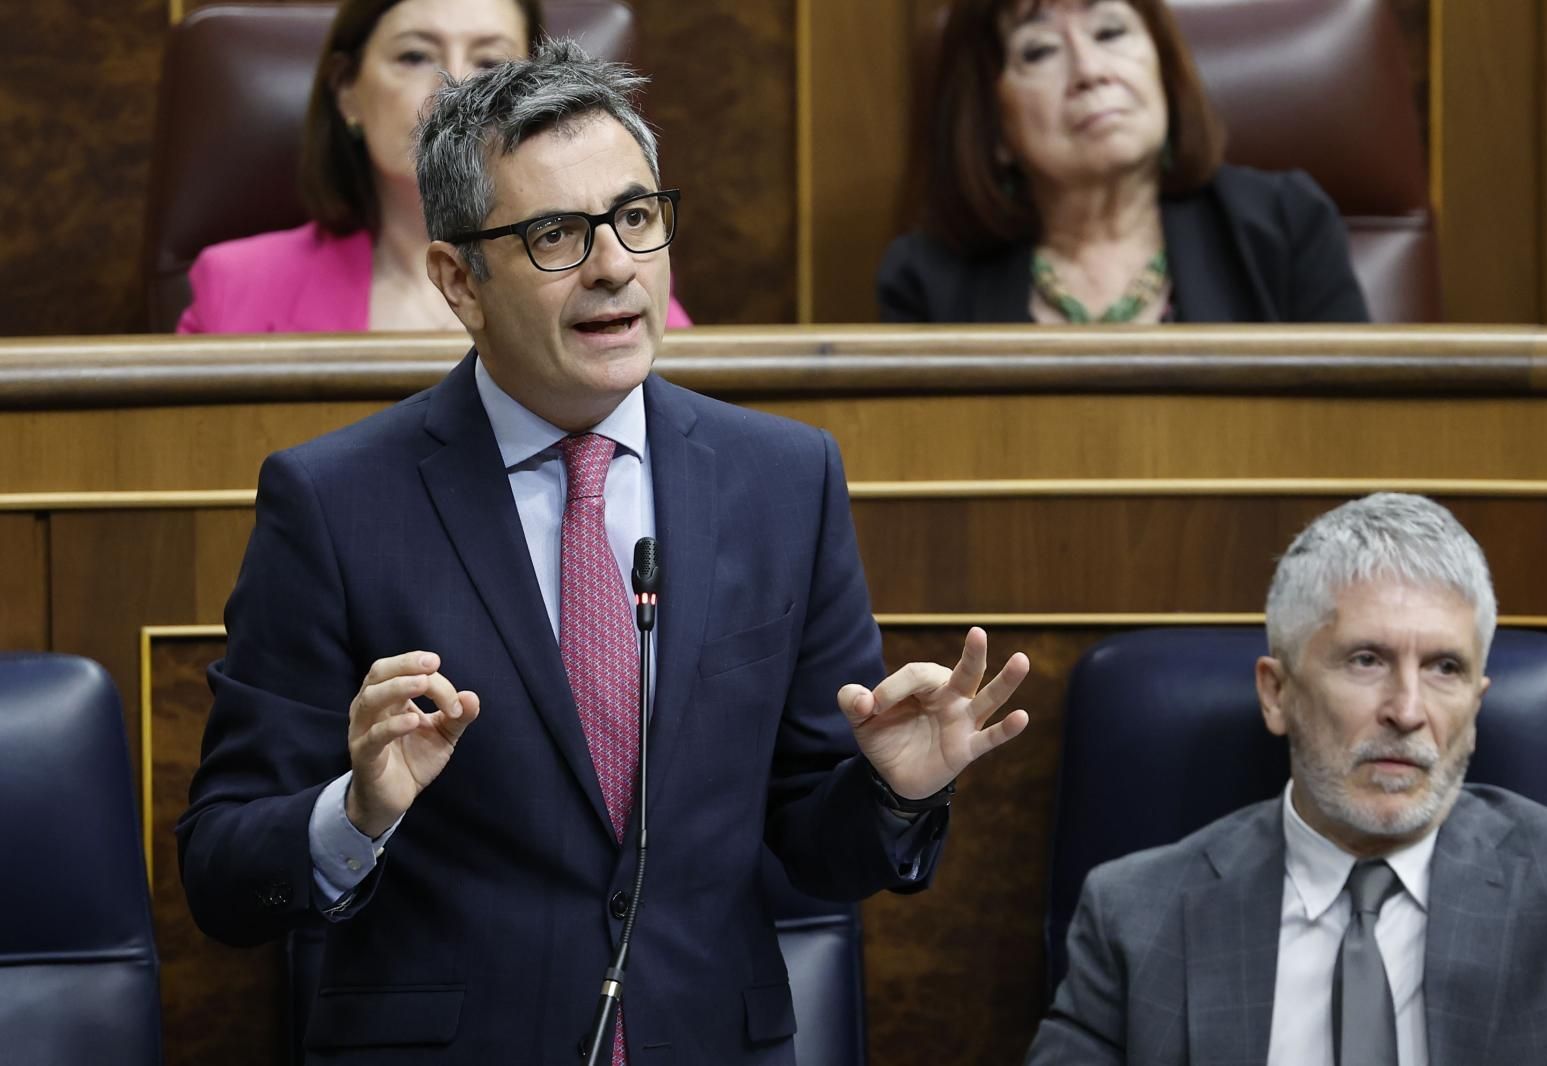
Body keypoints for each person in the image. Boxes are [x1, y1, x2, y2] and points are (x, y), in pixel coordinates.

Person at [177, 41, 1029, 1065]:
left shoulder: (782, 480)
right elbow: (222, 873)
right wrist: (355, 811)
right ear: (460, 278)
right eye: (554, 235)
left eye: (634, 217)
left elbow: (814, 842)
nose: (615, 266)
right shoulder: (333, 502)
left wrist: (893, 788)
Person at [1025, 492, 1547, 1065]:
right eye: (1366, 660)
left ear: (1476, 710)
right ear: (1277, 694)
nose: (1407, 710)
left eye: (1445, 668)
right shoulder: (1134, 915)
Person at [174, 0, 692, 334]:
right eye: (416, 56)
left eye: (491, 63)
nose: (455, 85)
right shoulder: (233, 290)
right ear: (347, 90)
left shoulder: (615, 275)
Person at [877, 0, 1369, 324]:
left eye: (1110, 31)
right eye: (1040, 50)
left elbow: (1359, 440)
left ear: (1163, 71)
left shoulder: (1285, 227)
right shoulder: (925, 283)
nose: (1090, 71)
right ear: (993, 127)